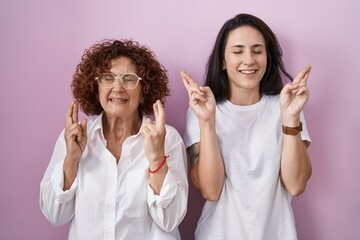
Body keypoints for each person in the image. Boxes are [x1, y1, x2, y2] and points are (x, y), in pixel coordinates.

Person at [40, 39, 188, 240]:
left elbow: (170, 220)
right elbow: (55, 215)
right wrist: (71, 162)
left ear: (144, 92)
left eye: (129, 79)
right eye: (107, 78)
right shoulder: (74, 138)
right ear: (97, 88)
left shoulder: (167, 138)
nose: (117, 88)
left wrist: (156, 160)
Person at [181, 13, 312, 240]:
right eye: (238, 51)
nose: (249, 60)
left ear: (267, 58)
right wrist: (207, 122)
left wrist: (291, 118)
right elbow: (211, 191)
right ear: (222, 60)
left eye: (258, 51)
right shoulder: (202, 110)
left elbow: (296, 185)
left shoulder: (287, 105)